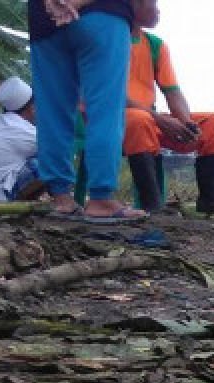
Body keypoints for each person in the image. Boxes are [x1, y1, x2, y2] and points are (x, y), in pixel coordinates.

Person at [121, 0, 214, 217]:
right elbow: (110, 95)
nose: (158, 11)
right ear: (134, 5)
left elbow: (172, 91)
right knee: (138, 120)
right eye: (153, 4)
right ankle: (151, 205)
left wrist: (185, 122)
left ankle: (212, 198)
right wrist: (159, 119)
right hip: (112, 119)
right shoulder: (109, 40)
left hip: (148, 119)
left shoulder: (154, 45)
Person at [29, 0, 147, 223]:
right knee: (105, 110)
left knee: (52, 113)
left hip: (45, 20)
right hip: (102, 15)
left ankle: (61, 198)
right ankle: (101, 198)